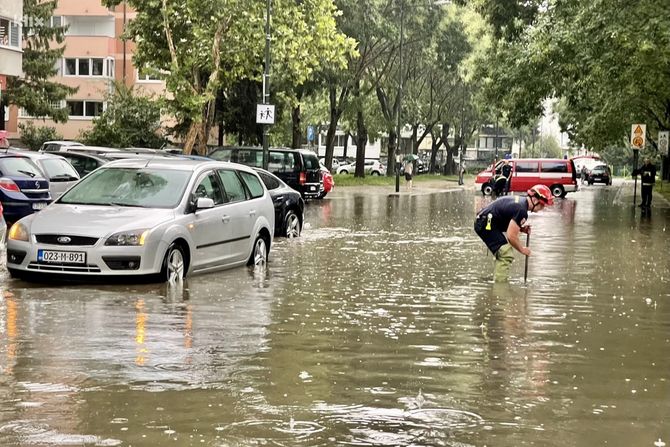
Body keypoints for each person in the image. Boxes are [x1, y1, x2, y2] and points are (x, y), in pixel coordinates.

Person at [474, 184, 554, 282]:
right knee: (505, 253)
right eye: (542, 205)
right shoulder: (521, 210)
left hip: (487, 222)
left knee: (503, 251)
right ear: (535, 200)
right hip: (485, 224)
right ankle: (500, 287)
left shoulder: (521, 203)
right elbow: (511, 236)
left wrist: (521, 229)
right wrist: (522, 249)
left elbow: (505, 218)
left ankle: (498, 279)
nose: (543, 207)